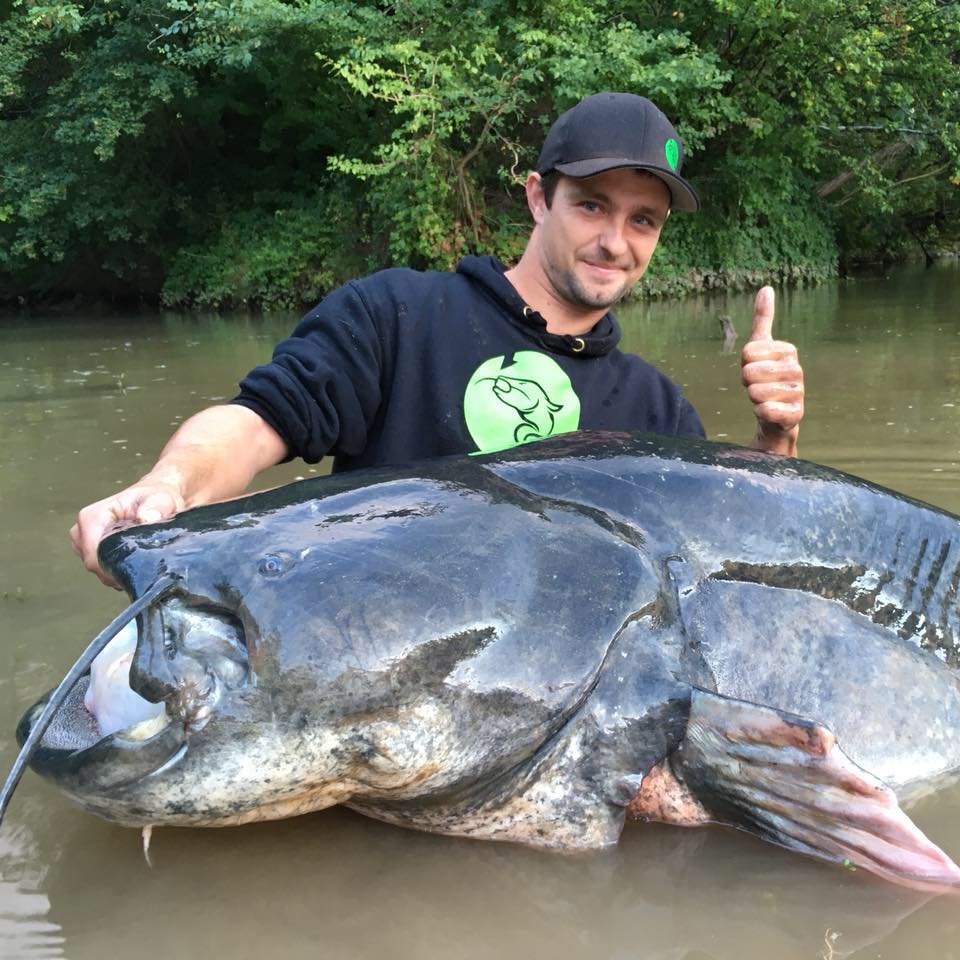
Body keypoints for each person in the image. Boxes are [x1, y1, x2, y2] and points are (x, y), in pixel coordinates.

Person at [71, 92, 804, 586]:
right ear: (537, 196)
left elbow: (720, 567)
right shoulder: (396, 314)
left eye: (643, 219)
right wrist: (165, 488)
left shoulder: (658, 411)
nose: (615, 241)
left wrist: (776, 448)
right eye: (592, 205)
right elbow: (258, 421)